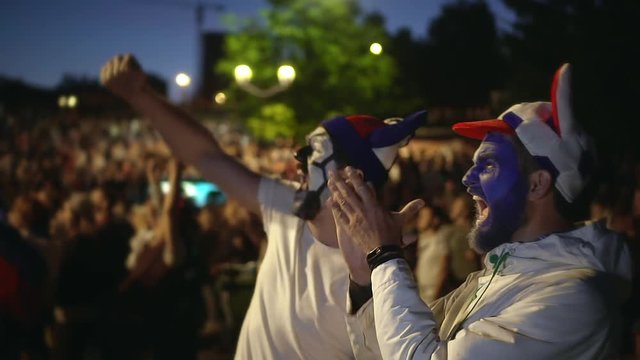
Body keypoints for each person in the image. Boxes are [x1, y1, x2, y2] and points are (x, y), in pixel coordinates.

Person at [100, 53, 425, 358]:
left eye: (310, 155)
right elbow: (205, 156)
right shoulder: (290, 206)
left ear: (349, 176)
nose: (297, 166)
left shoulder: (376, 278)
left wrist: (378, 269)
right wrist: (142, 97)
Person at [328, 63, 633, 359]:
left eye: (488, 165)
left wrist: (385, 255)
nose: (467, 179)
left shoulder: (575, 299)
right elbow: (385, 350)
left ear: (537, 184)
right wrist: (365, 279)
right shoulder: (487, 281)